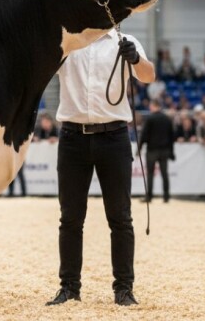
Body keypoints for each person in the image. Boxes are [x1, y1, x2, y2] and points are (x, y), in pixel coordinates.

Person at [47, 33, 155, 308]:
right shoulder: (69, 41)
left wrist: (136, 58)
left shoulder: (125, 40)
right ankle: (69, 288)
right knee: (70, 218)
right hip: (72, 137)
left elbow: (148, 75)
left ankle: (124, 289)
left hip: (114, 136)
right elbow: (42, 65)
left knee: (120, 217)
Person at [139, 99, 175, 203]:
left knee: (150, 174)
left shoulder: (150, 119)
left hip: (152, 150)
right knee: (164, 173)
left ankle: (149, 196)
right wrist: (171, 152)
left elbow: (144, 135)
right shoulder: (167, 119)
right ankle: (166, 196)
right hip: (164, 150)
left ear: (153, 106)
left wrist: (140, 148)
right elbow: (171, 136)